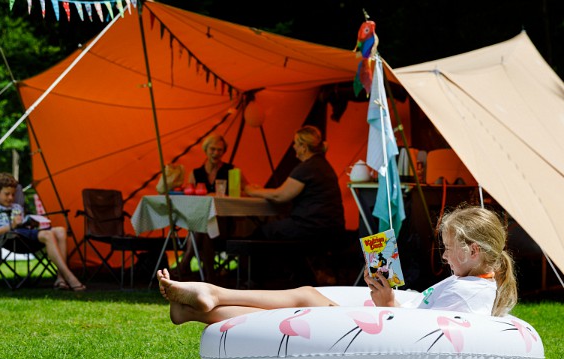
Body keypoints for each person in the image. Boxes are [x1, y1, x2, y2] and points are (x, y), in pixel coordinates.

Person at [158, 205, 517, 325]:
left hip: (389, 336)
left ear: (473, 251)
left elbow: (428, 336)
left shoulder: (469, 297)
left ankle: (212, 295)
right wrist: (388, 298)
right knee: (306, 296)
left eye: (449, 249)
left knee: (306, 299)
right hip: (391, 320)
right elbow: (425, 313)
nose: (443, 255)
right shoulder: (470, 284)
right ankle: (201, 308)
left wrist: (389, 306)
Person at [0, 172, 86, 291]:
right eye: (7, 194)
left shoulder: (17, 207)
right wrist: (12, 225)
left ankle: (60, 278)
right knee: (48, 234)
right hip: (11, 238)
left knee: (61, 230)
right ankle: (70, 277)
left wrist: (31, 222)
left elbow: (24, 224)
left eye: (13, 194)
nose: (11, 198)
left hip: (25, 234)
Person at [245, 125, 345, 241]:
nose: (293, 146)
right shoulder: (322, 165)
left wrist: (253, 191)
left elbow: (280, 195)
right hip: (331, 227)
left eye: (295, 143)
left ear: (304, 147)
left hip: (312, 227)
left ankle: (233, 254)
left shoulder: (307, 167)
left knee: (261, 233)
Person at [178, 133, 247, 280]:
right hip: (203, 223)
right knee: (205, 229)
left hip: (225, 223)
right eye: (212, 149)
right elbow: (190, 202)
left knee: (202, 227)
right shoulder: (196, 174)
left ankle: (185, 263)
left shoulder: (231, 171)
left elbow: (246, 190)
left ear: (224, 152)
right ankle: (210, 278)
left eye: (220, 150)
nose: (216, 153)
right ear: (206, 150)